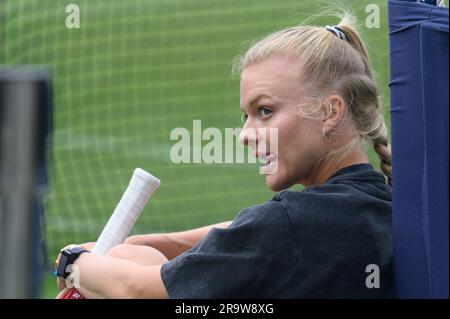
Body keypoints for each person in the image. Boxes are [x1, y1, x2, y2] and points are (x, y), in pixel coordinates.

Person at [55, 13, 394, 298]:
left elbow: (135, 289)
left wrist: (74, 263)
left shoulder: (293, 223)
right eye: (245, 116)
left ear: (329, 112)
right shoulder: (379, 204)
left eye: (264, 111)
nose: (245, 135)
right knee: (132, 252)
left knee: (131, 260)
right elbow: (237, 233)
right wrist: (132, 247)